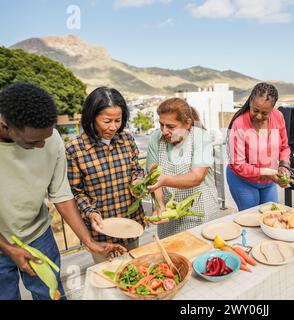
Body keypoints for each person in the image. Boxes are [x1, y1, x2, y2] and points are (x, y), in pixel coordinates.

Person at [0, 83, 125, 300]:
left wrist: (89, 242)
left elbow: (62, 195)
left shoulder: (52, 139)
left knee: (52, 295)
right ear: (5, 125)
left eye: (46, 138)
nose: (41, 146)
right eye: (32, 142)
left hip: (38, 235)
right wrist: (8, 248)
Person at [66, 87, 145, 263]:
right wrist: (90, 212)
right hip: (101, 231)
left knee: (134, 271)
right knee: (108, 276)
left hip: (130, 224)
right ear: (91, 117)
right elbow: (75, 191)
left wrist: (138, 181)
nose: (113, 127)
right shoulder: (75, 149)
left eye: (118, 120)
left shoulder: (127, 140)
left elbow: (136, 170)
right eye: (107, 121)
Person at [146, 98, 220, 239]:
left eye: (171, 127)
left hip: (201, 213)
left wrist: (164, 180)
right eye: (161, 125)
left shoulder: (202, 138)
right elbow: (154, 180)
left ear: (187, 123)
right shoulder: (155, 139)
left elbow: (197, 177)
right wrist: (160, 205)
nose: (164, 131)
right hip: (170, 216)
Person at [227, 82, 291, 211]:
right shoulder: (239, 124)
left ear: (272, 109)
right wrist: (267, 172)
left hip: (268, 182)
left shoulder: (278, 117)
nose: (258, 116)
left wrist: (284, 166)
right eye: (255, 110)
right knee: (251, 221)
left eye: (265, 113)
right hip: (243, 181)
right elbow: (239, 165)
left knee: (272, 216)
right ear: (250, 102)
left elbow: (284, 147)